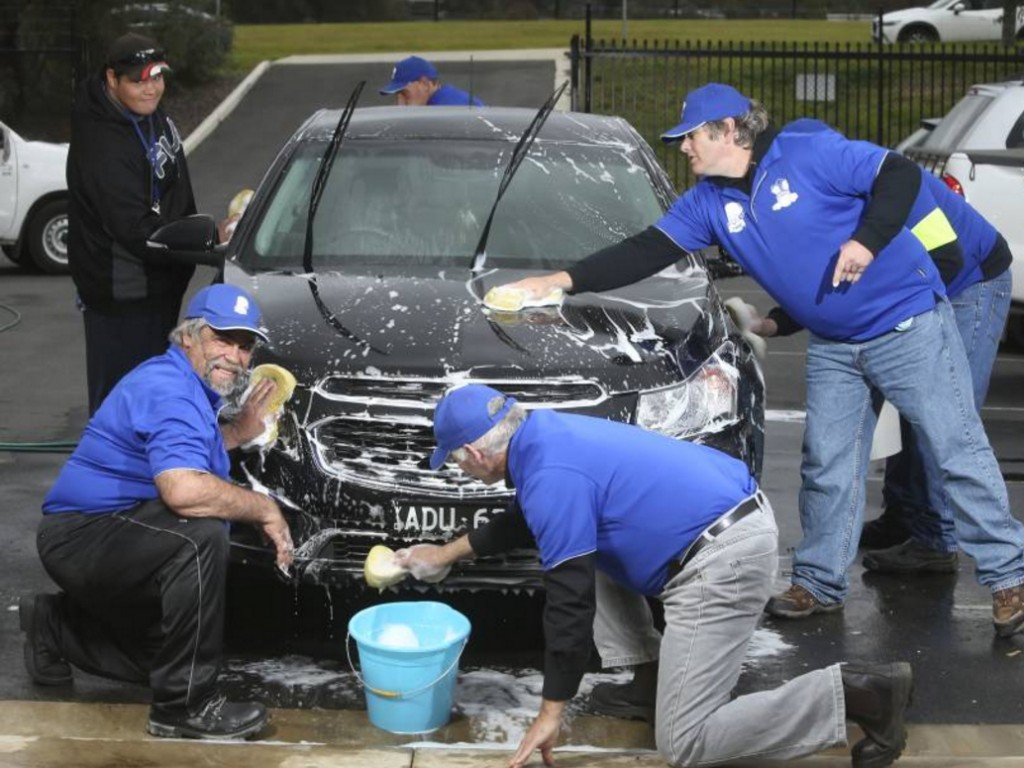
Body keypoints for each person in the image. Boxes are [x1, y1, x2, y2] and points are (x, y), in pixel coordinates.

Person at [504, 83, 1024, 635]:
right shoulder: (709, 203)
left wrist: (868, 242)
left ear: (729, 130)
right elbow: (646, 250)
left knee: (954, 449)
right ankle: (820, 583)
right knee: (827, 463)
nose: (683, 148)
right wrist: (559, 281)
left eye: (691, 137)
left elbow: (895, 172)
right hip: (833, 341)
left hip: (906, 325)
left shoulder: (808, 155)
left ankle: (1010, 577)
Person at [398, 384, 914, 768]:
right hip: (721, 527)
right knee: (581, 546)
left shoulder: (552, 476)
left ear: (475, 454)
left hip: (722, 563)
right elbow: (526, 521)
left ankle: (860, 693)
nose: (459, 469)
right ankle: (649, 682)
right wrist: (445, 553)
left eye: (455, 462)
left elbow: (569, 605)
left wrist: (551, 710)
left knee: (684, 742)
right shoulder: (547, 435)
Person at [20, 284, 294, 740]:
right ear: (187, 336)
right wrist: (265, 508)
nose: (234, 355)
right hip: (83, 535)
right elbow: (183, 490)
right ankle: (183, 708)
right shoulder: (170, 391)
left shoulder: (184, 385)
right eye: (221, 338)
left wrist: (238, 432)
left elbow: (180, 451)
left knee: (166, 657)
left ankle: (54, 626)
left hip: (109, 530)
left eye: (244, 346)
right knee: (200, 535)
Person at [747, 159, 1013, 573]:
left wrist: (899, 326)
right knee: (904, 412)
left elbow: (947, 261)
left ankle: (935, 539)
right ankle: (903, 516)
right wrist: (779, 321)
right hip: (922, 280)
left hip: (969, 282)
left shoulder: (898, 194)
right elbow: (833, 275)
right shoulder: (827, 199)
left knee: (940, 416)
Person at [67, 33, 228, 415]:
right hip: (124, 297)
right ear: (112, 79)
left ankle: (150, 466)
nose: (151, 87)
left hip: (159, 284)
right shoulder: (103, 146)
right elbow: (137, 231)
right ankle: (113, 473)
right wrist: (206, 241)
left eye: (156, 77)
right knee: (124, 404)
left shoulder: (145, 111)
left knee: (154, 394)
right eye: (138, 80)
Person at [379, 55, 484, 106]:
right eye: (397, 97)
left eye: (405, 95)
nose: (399, 105)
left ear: (425, 85)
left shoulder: (443, 110)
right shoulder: (449, 99)